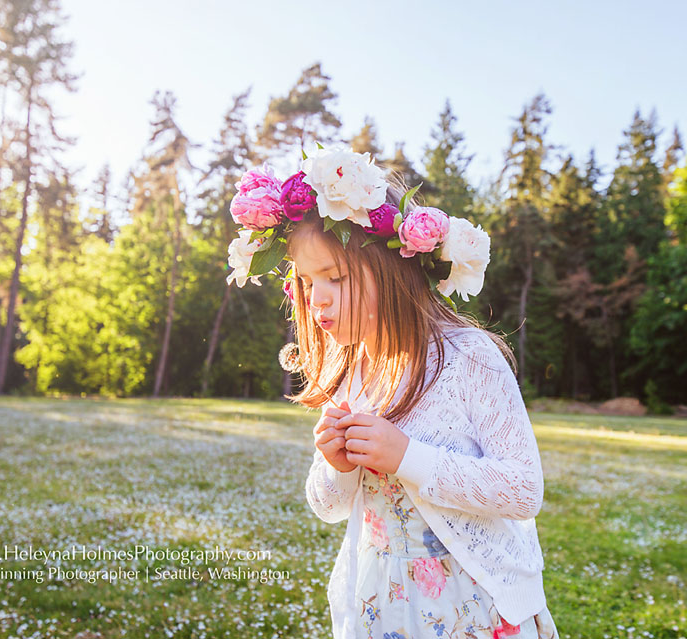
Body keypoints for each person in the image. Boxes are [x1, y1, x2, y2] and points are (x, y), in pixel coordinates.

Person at [226, 146, 559, 639]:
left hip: (470, 601)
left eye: (334, 278)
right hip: (383, 600)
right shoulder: (356, 367)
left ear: (392, 270)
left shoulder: (470, 358)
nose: (316, 298)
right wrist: (337, 467)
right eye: (306, 280)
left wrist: (406, 456)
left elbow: (524, 488)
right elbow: (328, 505)